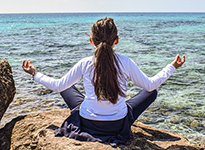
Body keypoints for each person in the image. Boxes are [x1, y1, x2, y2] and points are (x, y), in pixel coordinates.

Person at [22, 18, 185, 146]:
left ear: (91, 41)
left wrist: (34, 73)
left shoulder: (85, 63)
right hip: (117, 125)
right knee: (152, 92)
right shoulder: (126, 62)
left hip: (88, 123)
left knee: (65, 87)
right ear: (117, 40)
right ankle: (117, 111)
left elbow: (57, 86)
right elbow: (150, 85)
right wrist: (172, 67)